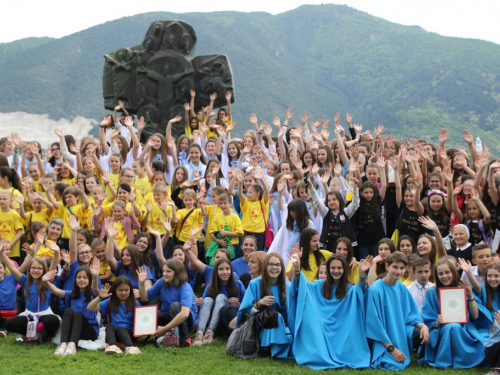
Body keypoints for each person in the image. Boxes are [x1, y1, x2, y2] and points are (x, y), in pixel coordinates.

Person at [289, 252, 373, 369]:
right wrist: (297, 269)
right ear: (328, 269)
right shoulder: (319, 285)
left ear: (344, 269)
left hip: (342, 328)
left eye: (339, 268)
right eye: (333, 268)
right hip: (321, 327)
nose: (336, 271)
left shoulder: (350, 289)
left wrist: (362, 274)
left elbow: (361, 292)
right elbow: (303, 288)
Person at [365, 251, 429, 371]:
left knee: (420, 332)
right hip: (382, 339)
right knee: (393, 364)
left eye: (401, 268)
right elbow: (374, 325)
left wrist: (423, 326)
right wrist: (391, 349)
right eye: (395, 267)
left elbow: (410, 315)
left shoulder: (401, 288)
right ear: (387, 266)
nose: (398, 271)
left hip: (399, 331)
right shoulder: (375, 289)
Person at [419, 258, 486, 368]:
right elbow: (428, 320)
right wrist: (437, 323)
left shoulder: (463, 289)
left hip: (465, 328)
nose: (444, 276)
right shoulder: (432, 292)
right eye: (440, 273)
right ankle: (452, 360)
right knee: (452, 327)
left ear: (453, 272)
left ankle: (462, 359)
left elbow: (475, 315)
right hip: (441, 330)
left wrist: (470, 295)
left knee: (458, 329)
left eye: (447, 272)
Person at [236, 252, 293, 359]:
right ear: (265, 266)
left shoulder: (286, 287)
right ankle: (266, 348)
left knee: (280, 320)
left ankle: (272, 348)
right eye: (271, 264)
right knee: (272, 314)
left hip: (281, 325)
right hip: (258, 324)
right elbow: (245, 312)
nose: (274, 267)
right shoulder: (255, 284)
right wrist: (259, 304)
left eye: (277, 265)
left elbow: (290, 314)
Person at [1, 242, 61, 341]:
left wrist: (57, 252)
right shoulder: (25, 280)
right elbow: (12, 268)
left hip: (44, 315)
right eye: (33, 268)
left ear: (44, 270)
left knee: (53, 320)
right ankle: (29, 334)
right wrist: (1, 254)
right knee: (9, 324)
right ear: (29, 269)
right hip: (29, 316)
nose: (36, 270)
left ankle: (44, 334)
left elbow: (53, 266)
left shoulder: (46, 281)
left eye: (39, 268)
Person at [42, 260, 100, 355]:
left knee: (78, 314)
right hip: (74, 330)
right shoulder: (71, 294)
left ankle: (72, 345)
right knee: (68, 311)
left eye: (85, 278)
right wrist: (45, 282)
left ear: (89, 279)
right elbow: (56, 291)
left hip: (90, 331)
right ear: (75, 279)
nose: (81, 280)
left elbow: (95, 288)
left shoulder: (93, 294)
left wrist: (95, 276)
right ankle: (63, 344)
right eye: (79, 277)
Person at [138, 258, 197, 348]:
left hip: (185, 319)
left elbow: (184, 314)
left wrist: (164, 329)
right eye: (164, 271)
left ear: (177, 272)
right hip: (167, 315)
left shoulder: (185, 287)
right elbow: (144, 298)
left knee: (175, 306)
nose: (164, 274)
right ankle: (140, 334)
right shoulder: (162, 282)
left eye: (168, 271)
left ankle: (186, 338)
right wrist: (141, 284)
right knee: (147, 314)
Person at [193, 258, 245, 345]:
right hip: (211, 318)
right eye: (221, 269)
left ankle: (210, 332)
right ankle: (199, 333)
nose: (225, 272)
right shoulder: (210, 286)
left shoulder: (238, 284)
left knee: (220, 297)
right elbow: (204, 307)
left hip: (226, 319)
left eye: (227, 269)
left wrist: (238, 304)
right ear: (216, 272)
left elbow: (247, 304)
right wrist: (200, 303)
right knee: (207, 299)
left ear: (231, 271)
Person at [87, 276, 141, 355]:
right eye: (120, 290)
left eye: (126, 290)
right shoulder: (110, 302)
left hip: (129, 334)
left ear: (131, 290)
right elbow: (90, 308)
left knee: (120, 329)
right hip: (113, 335)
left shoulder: (135, 304)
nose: (123, 293)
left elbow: (140, 320)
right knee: (109, 326)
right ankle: (112, 346)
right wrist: (100, 297)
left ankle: (130, 347)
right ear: (115, 290)